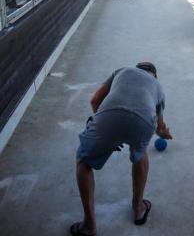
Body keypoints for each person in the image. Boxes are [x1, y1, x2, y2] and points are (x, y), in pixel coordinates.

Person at [70, 62, 173, 235]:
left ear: (137, 68)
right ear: (154, 75)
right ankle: (139, 208)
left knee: (83, 160)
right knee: (140, 154)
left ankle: (89, 225)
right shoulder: (158, 88)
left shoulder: (122, 71)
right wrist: (164, 134)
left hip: (109, 117)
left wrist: (105, 128)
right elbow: (159, 127)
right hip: (142, 122)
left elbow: (95, 100)